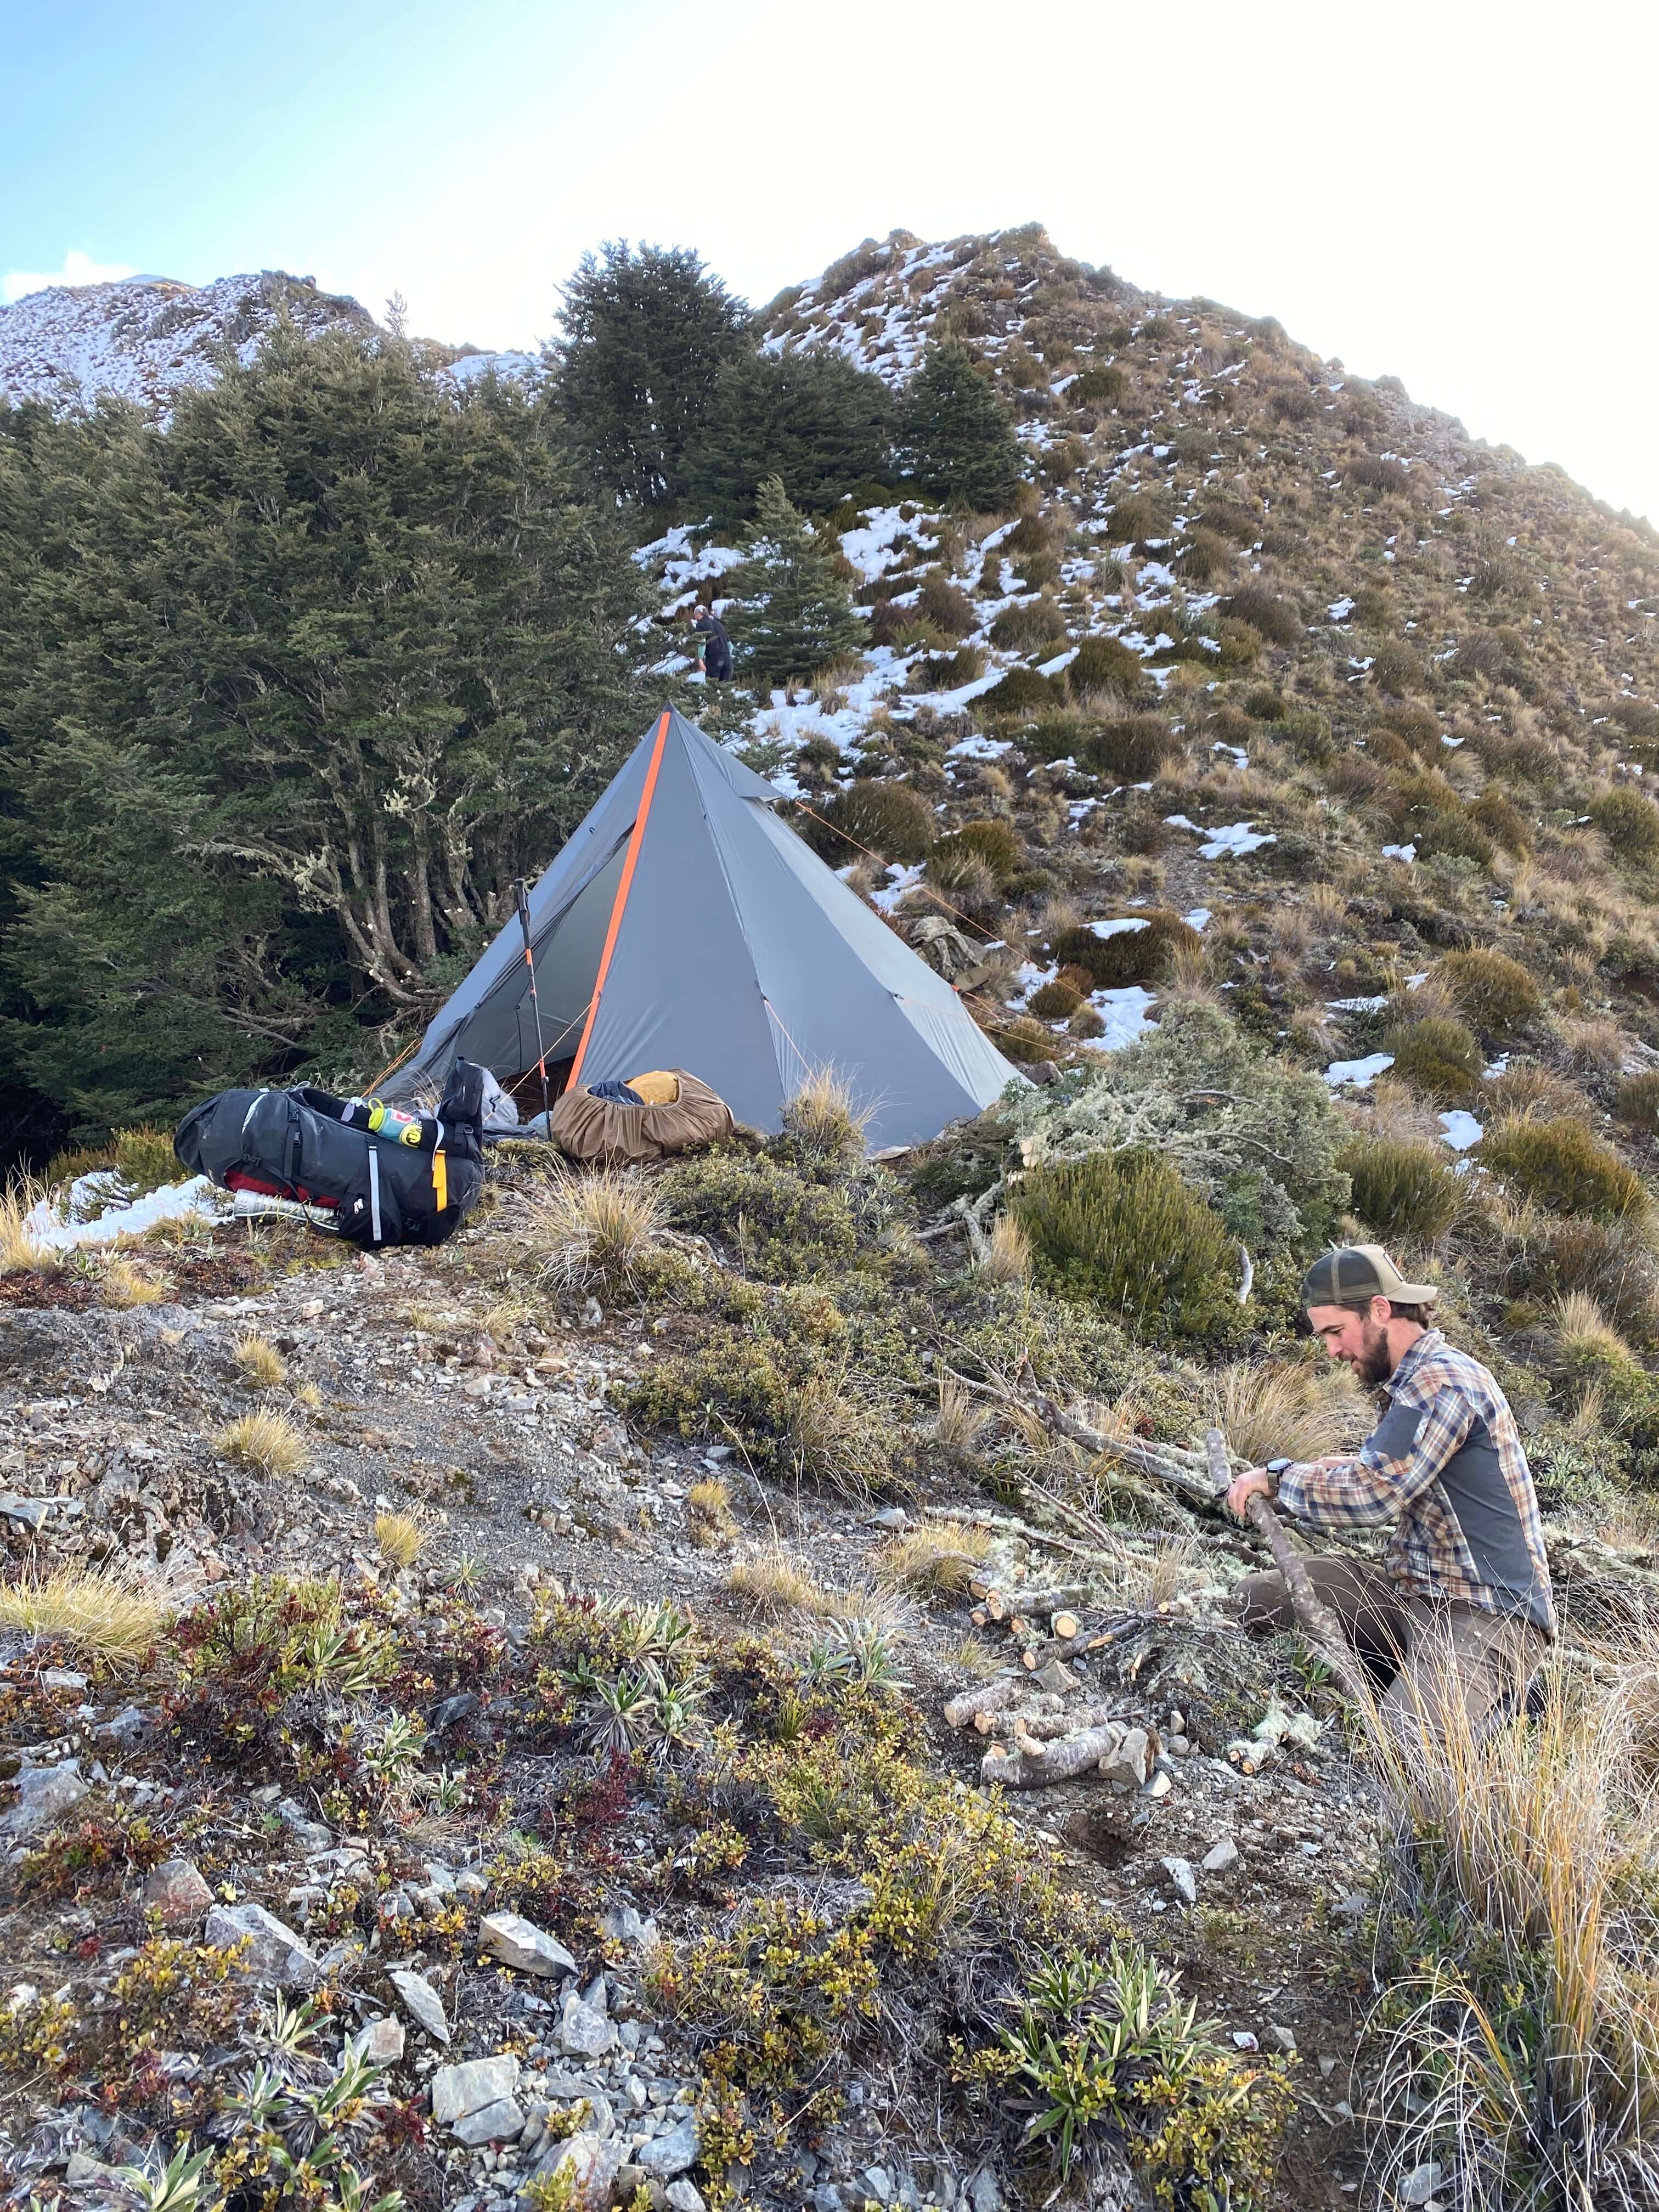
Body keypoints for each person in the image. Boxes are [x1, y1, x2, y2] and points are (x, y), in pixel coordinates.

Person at [1225, 1243, 1555, 1748]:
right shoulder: (1412, 1383)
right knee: (1256, 1601)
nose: (1333, 1351)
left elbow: (1373, 1497)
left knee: (1402, 1751)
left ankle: (1506, 1712)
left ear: (1380, 1310)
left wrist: (1278, 1478)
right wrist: (1341, 1470)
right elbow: (1386, 1471)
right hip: (1413, 1597)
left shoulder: (1441, 1381)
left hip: (1488, 1616)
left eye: (1336, 1332)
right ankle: (1415, 1679)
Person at [687, 603, 732, 681]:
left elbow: (702, 642)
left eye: (695, 616)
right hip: (728, 660)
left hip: (714, 660)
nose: (695, 618)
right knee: (725, 690)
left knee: (712, 690)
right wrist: (728, 657)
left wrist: (700, 660)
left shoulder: (701, 625)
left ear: (698, 614)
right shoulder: (720, 625)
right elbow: (730, 646)